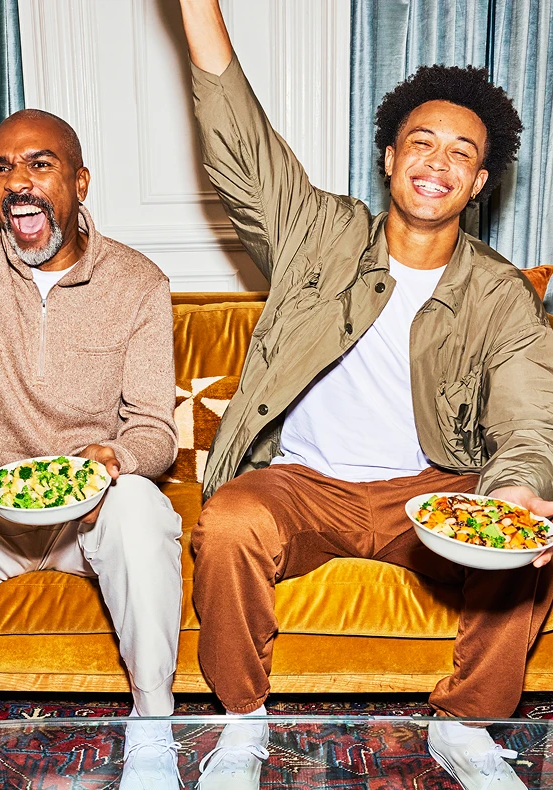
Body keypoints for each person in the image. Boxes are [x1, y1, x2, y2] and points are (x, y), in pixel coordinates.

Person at [176, 2, 553, 789]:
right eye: (421, 142)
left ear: (480, 181)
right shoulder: (315, 233)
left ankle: (466, 726)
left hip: (431, 488)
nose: (436, 162)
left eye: (461, 153)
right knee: (232, 519)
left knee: (529, 545)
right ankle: (242, 722)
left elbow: (528, 418)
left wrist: (518, 491)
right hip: (305, 485)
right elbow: (237, 136)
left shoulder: (503, 293)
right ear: (388, 156)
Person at [0, 109, 183, 790]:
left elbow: (153, 429)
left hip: (88, 509)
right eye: (1, 167)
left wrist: (112, 460)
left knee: (141, 509)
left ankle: (153, 732)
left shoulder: (140, 283)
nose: (17, 182)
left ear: (80, 182)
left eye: (39, 164)